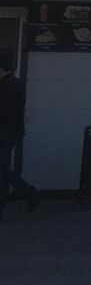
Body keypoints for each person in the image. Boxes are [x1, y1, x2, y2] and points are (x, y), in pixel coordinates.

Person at [0, 53, 35, 217]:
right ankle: (28, 192)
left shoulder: (4, 87)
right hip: (13, 131)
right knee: (3, 169)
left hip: (5, 131)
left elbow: (5, 111)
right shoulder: (18, 84)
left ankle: (28, 192)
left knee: (2, 169)